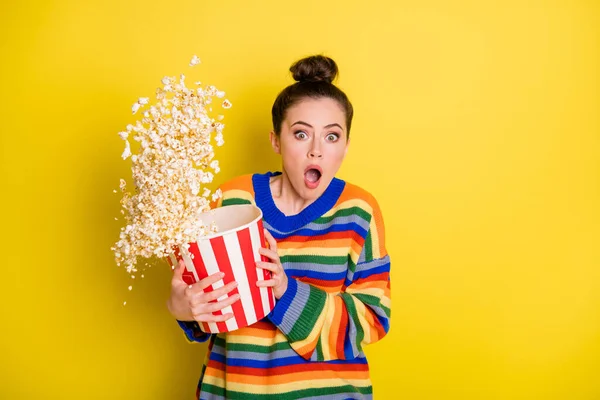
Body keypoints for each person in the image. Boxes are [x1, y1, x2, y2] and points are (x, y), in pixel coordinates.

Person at [167, 54, 392, 400]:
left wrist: (285, 291)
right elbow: (207, 308)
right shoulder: (229, 200)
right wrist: (184, 310)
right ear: (276, 140)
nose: (316, 151)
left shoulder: (359, 212)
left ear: (345, 147)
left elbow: (373, 321)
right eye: (301, 134)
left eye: (331, 137)